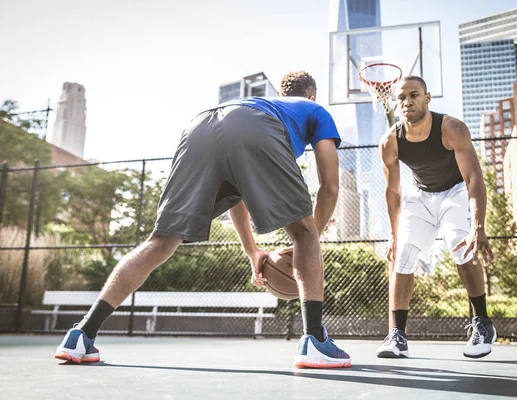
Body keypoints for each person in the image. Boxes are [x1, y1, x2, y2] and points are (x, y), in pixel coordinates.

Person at [54, 71, 351, 369]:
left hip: (199, 126)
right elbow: (330, 186)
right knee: (305, 232)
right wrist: (312, 234)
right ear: (311, 95)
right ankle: (314, 339)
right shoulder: (314, 110)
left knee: (159, 242)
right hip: (254, 126)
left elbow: (237, 192)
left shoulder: (264, 102)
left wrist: (252, 250)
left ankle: (82, 334)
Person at [376, 75, 496, 359]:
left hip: (454, 192)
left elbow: (473, 177)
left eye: (414, 95)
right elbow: (393, 192)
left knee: (459, 243)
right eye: (402, 98)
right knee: (402, 255)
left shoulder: (451, 128)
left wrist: (478, 226)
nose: (407, 102)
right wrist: (394, 236)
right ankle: (397, 336)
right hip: (420, 197)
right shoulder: (390, 141)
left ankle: (483, 323)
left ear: (427, 98)